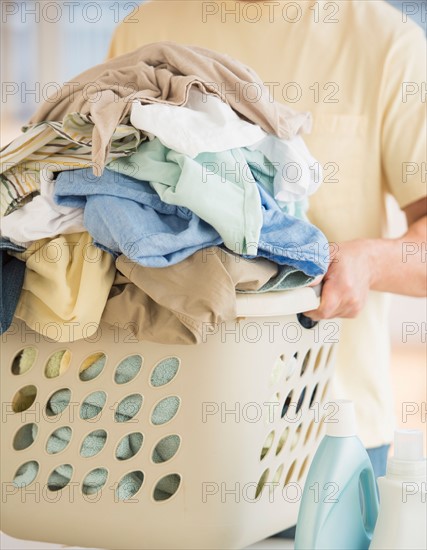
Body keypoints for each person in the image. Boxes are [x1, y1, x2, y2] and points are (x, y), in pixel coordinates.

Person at [107, 0, 427, 476]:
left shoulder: (385, 39)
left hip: (330, 440)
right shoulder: (146, 29)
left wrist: (370, 262)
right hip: (163, 435)